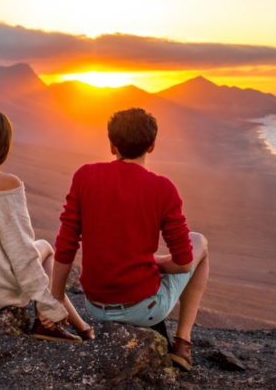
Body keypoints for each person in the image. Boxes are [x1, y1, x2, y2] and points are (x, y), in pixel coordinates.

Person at [51, 108, 209, 370]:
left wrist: (55, 297)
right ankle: (183, 343)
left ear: (112, 145)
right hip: (143, 309)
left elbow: (66, 243)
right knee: (200, 242)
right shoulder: (162, 188)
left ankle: (180, 342)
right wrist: (153, 263)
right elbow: (183, 263)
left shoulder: (84, 176)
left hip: (96, 307)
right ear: (152, 146)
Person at [0, 110, 94, 343]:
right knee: (43, 247)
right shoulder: (7, 184)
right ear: (4, 145)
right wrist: (49, 305)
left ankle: (81, 328)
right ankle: (51, 322)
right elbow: (22, 254)